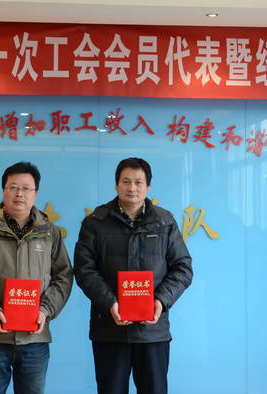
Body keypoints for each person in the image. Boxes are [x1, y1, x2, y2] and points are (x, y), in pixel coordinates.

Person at [74, 157, 193, 394]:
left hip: (153, 331)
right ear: (116, 184)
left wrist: (160, 301)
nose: (132, 188)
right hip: (109, 329)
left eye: (138, 182)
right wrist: (110, 303)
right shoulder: (95, 223)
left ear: (148, 186)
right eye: (126, 181)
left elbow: (183, 267)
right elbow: (84, 270)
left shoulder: (164, 221)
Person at [0, 161, 73, 394]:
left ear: (36, 193)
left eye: (27, 188)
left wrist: (45, 310)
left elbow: (64, 275)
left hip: (34, 339)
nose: (20, 194)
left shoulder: (50, 232)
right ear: (4, 191)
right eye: (13, 187)